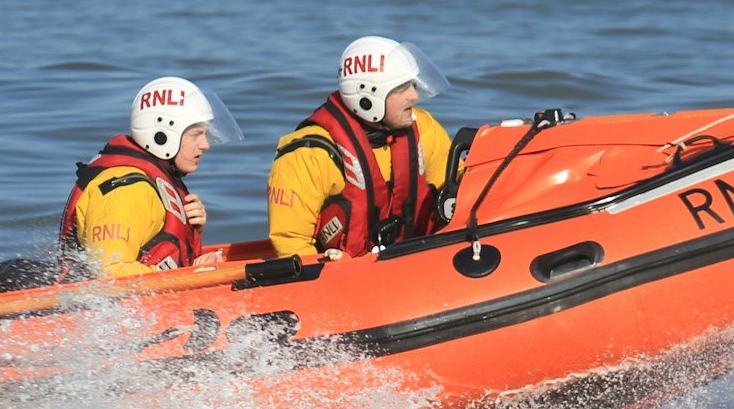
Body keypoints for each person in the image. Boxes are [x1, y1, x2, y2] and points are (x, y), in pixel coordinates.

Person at [266, 36, 454, 259]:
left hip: (414, 261)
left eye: (412, 85)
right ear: (368, 97)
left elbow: (460, 187)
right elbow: (290, 245)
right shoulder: (307, 156)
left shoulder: (424, 129)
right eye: (402, 88)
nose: (414, 95)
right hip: (341, 277)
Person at [60, 75, 242, 277]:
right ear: (162, 136)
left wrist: (194, 239)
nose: (205, 145)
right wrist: (186, 275)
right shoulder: (126, 192)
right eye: (196, 135)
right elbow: (109, 275)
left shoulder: (154, 185)